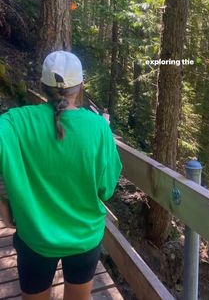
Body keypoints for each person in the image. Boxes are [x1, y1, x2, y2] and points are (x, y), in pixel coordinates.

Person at [0, 50, 123, 300]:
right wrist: (101, 133)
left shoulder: (13, 122)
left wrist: (2, 204)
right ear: (80, 85)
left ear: (42, 86)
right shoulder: (98, 127)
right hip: (84, 237)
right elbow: (106, 188)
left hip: (34, 237)